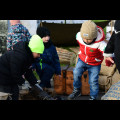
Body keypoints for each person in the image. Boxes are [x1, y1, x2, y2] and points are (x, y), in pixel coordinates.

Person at [0, 35, 54, 100]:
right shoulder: (19, 56)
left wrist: (35, 84)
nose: (39, 56)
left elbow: (28, 72)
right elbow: (15, 73)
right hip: (3, 78)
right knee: (7, 95)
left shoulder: (28, 56)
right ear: (33, 50)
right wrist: (23, 84)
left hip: (11, 79)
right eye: (38, 53)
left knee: (15, 93)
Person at [68, 20, 107, 100]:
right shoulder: (79, 36)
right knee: (76, 72)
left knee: (93, 81)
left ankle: (93, 97)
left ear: (94, 36)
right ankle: (77, 90)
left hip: (94, 64)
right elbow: (79, 38)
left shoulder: (100, 43)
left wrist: (109, 56)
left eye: (89, 39)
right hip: (82, 60)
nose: (86, 41)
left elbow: (106, 51)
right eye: (84, 38)